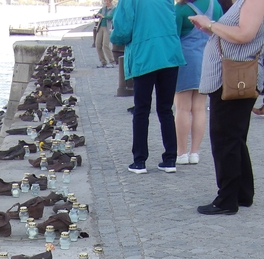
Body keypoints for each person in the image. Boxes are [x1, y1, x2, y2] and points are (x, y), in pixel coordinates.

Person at [189, 0, 264, 214]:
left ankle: (227, 200)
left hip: (235, 77)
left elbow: (244, 34)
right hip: (231, 76)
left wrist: (211, 24)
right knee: (234, 137)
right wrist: (209, 29)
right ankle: (242, 193)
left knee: (225, 138)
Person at [111, 0, 186, 174]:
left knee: (141, 110)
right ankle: (170, 159)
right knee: (166, 109)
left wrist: (115, 38)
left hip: (145, 55)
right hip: (169, 54)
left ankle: (139, 161)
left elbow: (122, 30)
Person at [174, 0, 223, 164]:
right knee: (200, 109)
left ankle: (181, 153)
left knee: (182, 108)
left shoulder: (181, 9)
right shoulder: (215, 5)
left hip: (185, 59)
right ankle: (195, 152)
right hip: (207, 60)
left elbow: (174, 36)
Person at [95, 0, 115, 68]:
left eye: (107, 1)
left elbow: (112, 16)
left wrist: (104, 16)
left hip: (107, 28)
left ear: (110, 1)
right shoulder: (103, 8)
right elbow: (99, 13)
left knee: (105, 45)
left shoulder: (113, 8)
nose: (106, 2)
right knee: (98, 45)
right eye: (105, 1)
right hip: (101, 27)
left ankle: (112, 61)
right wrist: (97, 15)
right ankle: (103, 62)